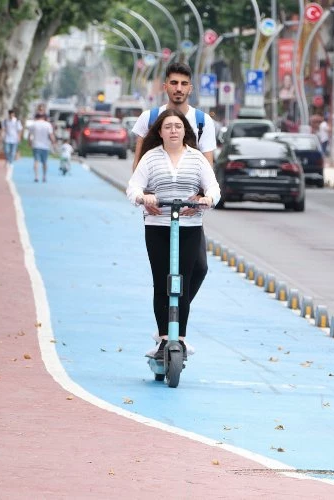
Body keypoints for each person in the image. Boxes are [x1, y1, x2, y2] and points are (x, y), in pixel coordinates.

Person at [126, 109, 221, 359]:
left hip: (189, 227)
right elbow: (133, 186)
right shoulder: (150, 158)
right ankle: (163, 339)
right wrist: (142, 196)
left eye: (178, 127)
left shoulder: (197, 159)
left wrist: (207, 199)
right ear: (160, 132)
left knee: (184, 282)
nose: (173, 131)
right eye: (168, 127)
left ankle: (179, 337)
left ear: (184, 131)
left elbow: (213, 186)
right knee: (162, 281)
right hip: (157, 225)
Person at [131, 62, 217, 171]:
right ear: (165, 87)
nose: (179, 88)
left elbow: (208, 168)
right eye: (174, 83)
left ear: (190, 89)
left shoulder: (203, 121)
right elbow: (137, 165)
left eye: (184, 83)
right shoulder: (148, 118)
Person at [28, 113, 56, 183]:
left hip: (36, 145)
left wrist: (30, 143)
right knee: (44, 162)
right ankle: (44, 176)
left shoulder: (33, 124)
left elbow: (29, 135)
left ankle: (36, 176)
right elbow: (51, 135)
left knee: (36, 161)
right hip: (45, 146)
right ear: (44, 117)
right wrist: (54, 143)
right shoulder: (48, 125)